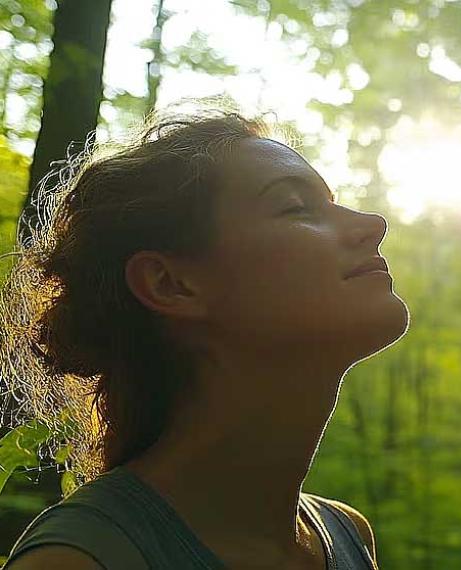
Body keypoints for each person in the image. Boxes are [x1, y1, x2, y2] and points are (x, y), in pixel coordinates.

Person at [0, 102, 409, 569]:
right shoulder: (77, 560)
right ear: (171, 284)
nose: (373, 224)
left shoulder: (347, 536)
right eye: (296, 206)